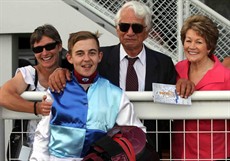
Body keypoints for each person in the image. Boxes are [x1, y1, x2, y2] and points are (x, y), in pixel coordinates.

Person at [47, 1, 195, 158]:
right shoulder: (97, 58)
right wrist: (60, 71)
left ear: (147, 32)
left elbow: (172, 98)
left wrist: (182, 82)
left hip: (148, 147)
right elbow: (77, 71)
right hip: (104, 148)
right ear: (117, 29)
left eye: (136, 27)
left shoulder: (163, 62)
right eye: (124, 26)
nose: (130, 32)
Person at [29, 31, 146, 160]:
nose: (86, 59)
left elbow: (137, 134)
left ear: (99, 56)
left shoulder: (115, 94)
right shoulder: (56, 89)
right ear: (70, 58)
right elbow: (42, 136)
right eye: (80, 53)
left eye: (92, 53)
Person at [172, 15, 230, 160]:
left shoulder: (226, 77)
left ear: (209, 46)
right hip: (180, 153)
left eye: (198, 42)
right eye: (188, 40)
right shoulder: (177, 70)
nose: (191, 47)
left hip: (214, 155)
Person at [0, 24, 62, 148]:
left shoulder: (68, 74)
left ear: (59, 46)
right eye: (38, 49)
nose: (44, 53)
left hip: (61, 149)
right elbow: (3, 95)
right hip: (33, 149)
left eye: (49, 46)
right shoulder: (28, 73)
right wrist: (37, 108)